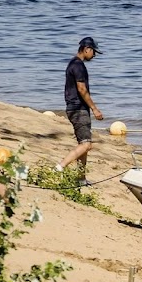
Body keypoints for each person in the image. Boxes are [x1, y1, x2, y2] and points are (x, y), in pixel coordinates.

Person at [57, 36, 105, 178]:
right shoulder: (78, 66)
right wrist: (94, 109)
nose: (94, 55)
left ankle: (81, 178)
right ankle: (59, 167)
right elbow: (82, 89)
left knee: (83, 145)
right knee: (86, 145)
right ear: (86, 49)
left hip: (74, 108)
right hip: (78, 109)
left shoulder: (73, 63)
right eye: (93, 51)